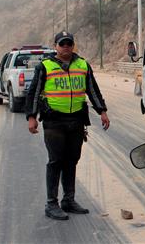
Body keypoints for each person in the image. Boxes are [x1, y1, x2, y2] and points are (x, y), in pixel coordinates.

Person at [25, 31, 110, 220]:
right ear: (55, 46)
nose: (66, 47)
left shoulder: (82, 65)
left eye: (69, 43)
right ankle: (51, 204)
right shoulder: (45, 67)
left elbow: (92, 89)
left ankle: (68, 200)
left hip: (76, 121)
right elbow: (34, 92)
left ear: (73, 45)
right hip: (54, 121)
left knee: (71, 161)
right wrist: (31, 117)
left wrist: (102, 111)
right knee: (56, 161)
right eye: (62, 44)